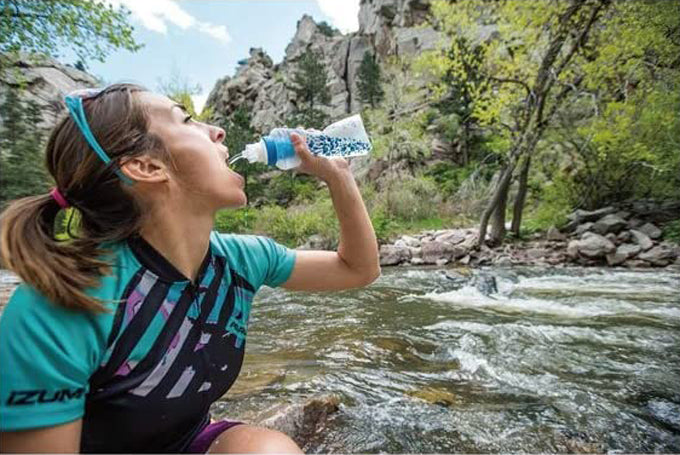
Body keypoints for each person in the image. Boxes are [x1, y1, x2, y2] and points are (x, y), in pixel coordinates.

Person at [0, 83, 380, 453]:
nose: (218, 130)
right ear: (145, 166)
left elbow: (356, 269)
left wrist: (339, 176)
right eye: (186, 120)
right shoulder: (64, 302)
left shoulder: (241, 260)